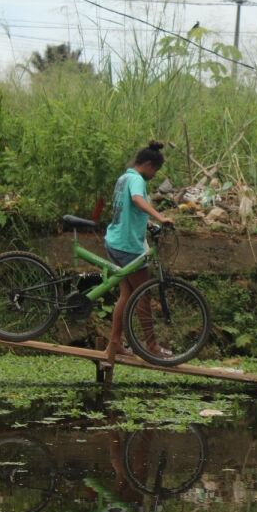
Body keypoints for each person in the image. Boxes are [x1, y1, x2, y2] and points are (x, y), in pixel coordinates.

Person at [104, 140, 174, 364]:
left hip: (115, 241)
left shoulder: (123, 178)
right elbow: (136, 200)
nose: (154, 175)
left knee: (127, 295)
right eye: (156, 170)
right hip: (127, 247)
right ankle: (151, 345)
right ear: (149, 165)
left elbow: (129, 211)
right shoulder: (136, 180)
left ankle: (114, 342)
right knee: (143, 295)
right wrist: (160, 217)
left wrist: (148, 225)